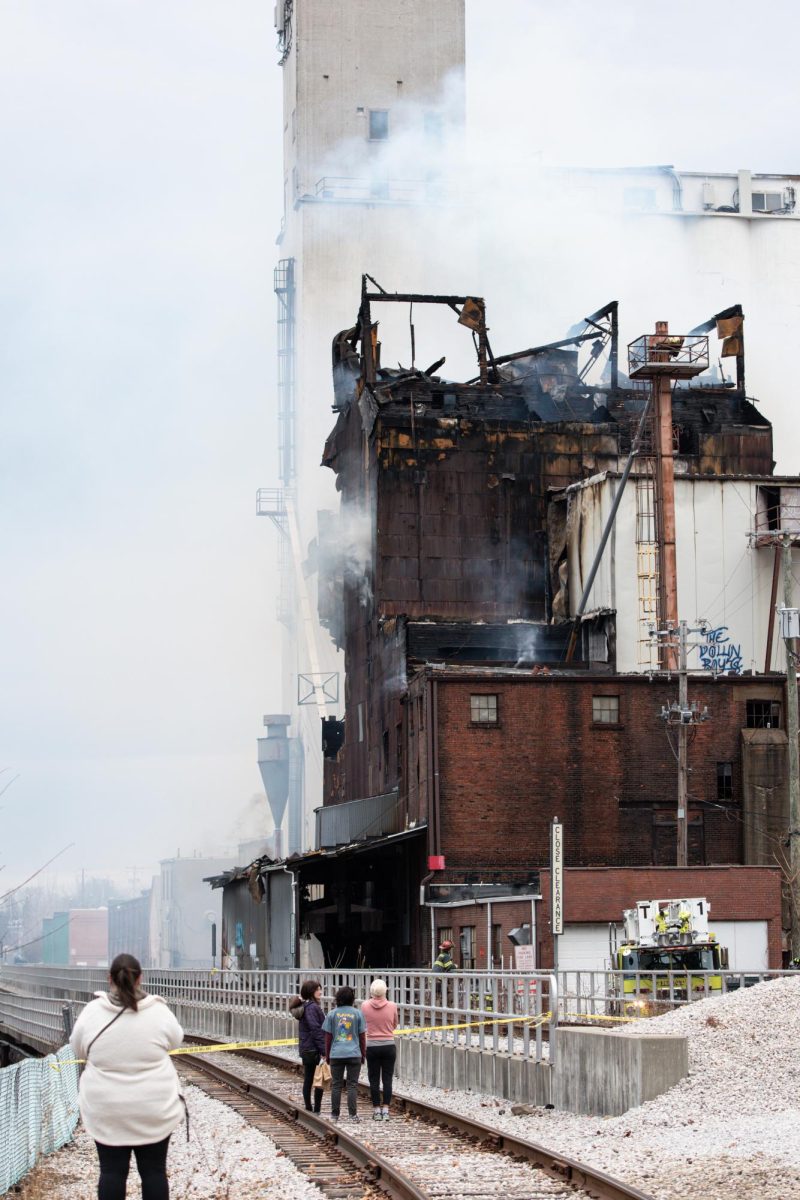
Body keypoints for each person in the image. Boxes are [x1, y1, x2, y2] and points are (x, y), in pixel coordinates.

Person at [69, 953, 185, 1200]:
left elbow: (78, 1049)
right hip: (154, 1108)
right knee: (154, 1172)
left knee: (111, 1172)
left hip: (107, 1109)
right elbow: (176, 1041)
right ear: (140, 978)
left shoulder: (92, 1013)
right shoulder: (158, 1011)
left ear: (108, 978)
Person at [322, 985, 366, 1123]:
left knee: (336, 1085)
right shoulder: (357, 1014)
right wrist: (363, 1055)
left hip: (336, 1054)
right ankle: (353, 1115)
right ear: (352, 999)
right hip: (354, 1053)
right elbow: (362, 1037)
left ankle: (335, 1115)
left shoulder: (332, 1014)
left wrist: (327, 1055)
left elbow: (328, 1038)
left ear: (338, 998)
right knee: (352, 1085)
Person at [361, 979, 398, 1121]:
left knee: (374, 1079)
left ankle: (376, 1110)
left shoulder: (364, 1006)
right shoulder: (392, 1006)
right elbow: (394, 1024)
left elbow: (364, 1024)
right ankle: (386, 1110)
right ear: (385, 991)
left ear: (371, 991)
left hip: (371, 1046)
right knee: (387, 1079)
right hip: (389, 1045)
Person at [289, 979, 326, 1113]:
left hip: (306, 1048)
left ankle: (309, 1107)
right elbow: (316, 1029)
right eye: (317, 989)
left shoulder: (306, 1006)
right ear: (311, 992)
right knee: (318, 1080)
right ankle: (315, 1109)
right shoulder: (312, 1008)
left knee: (309, 1078)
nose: (320, 992)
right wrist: (324, 1050)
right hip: (314, 1049)